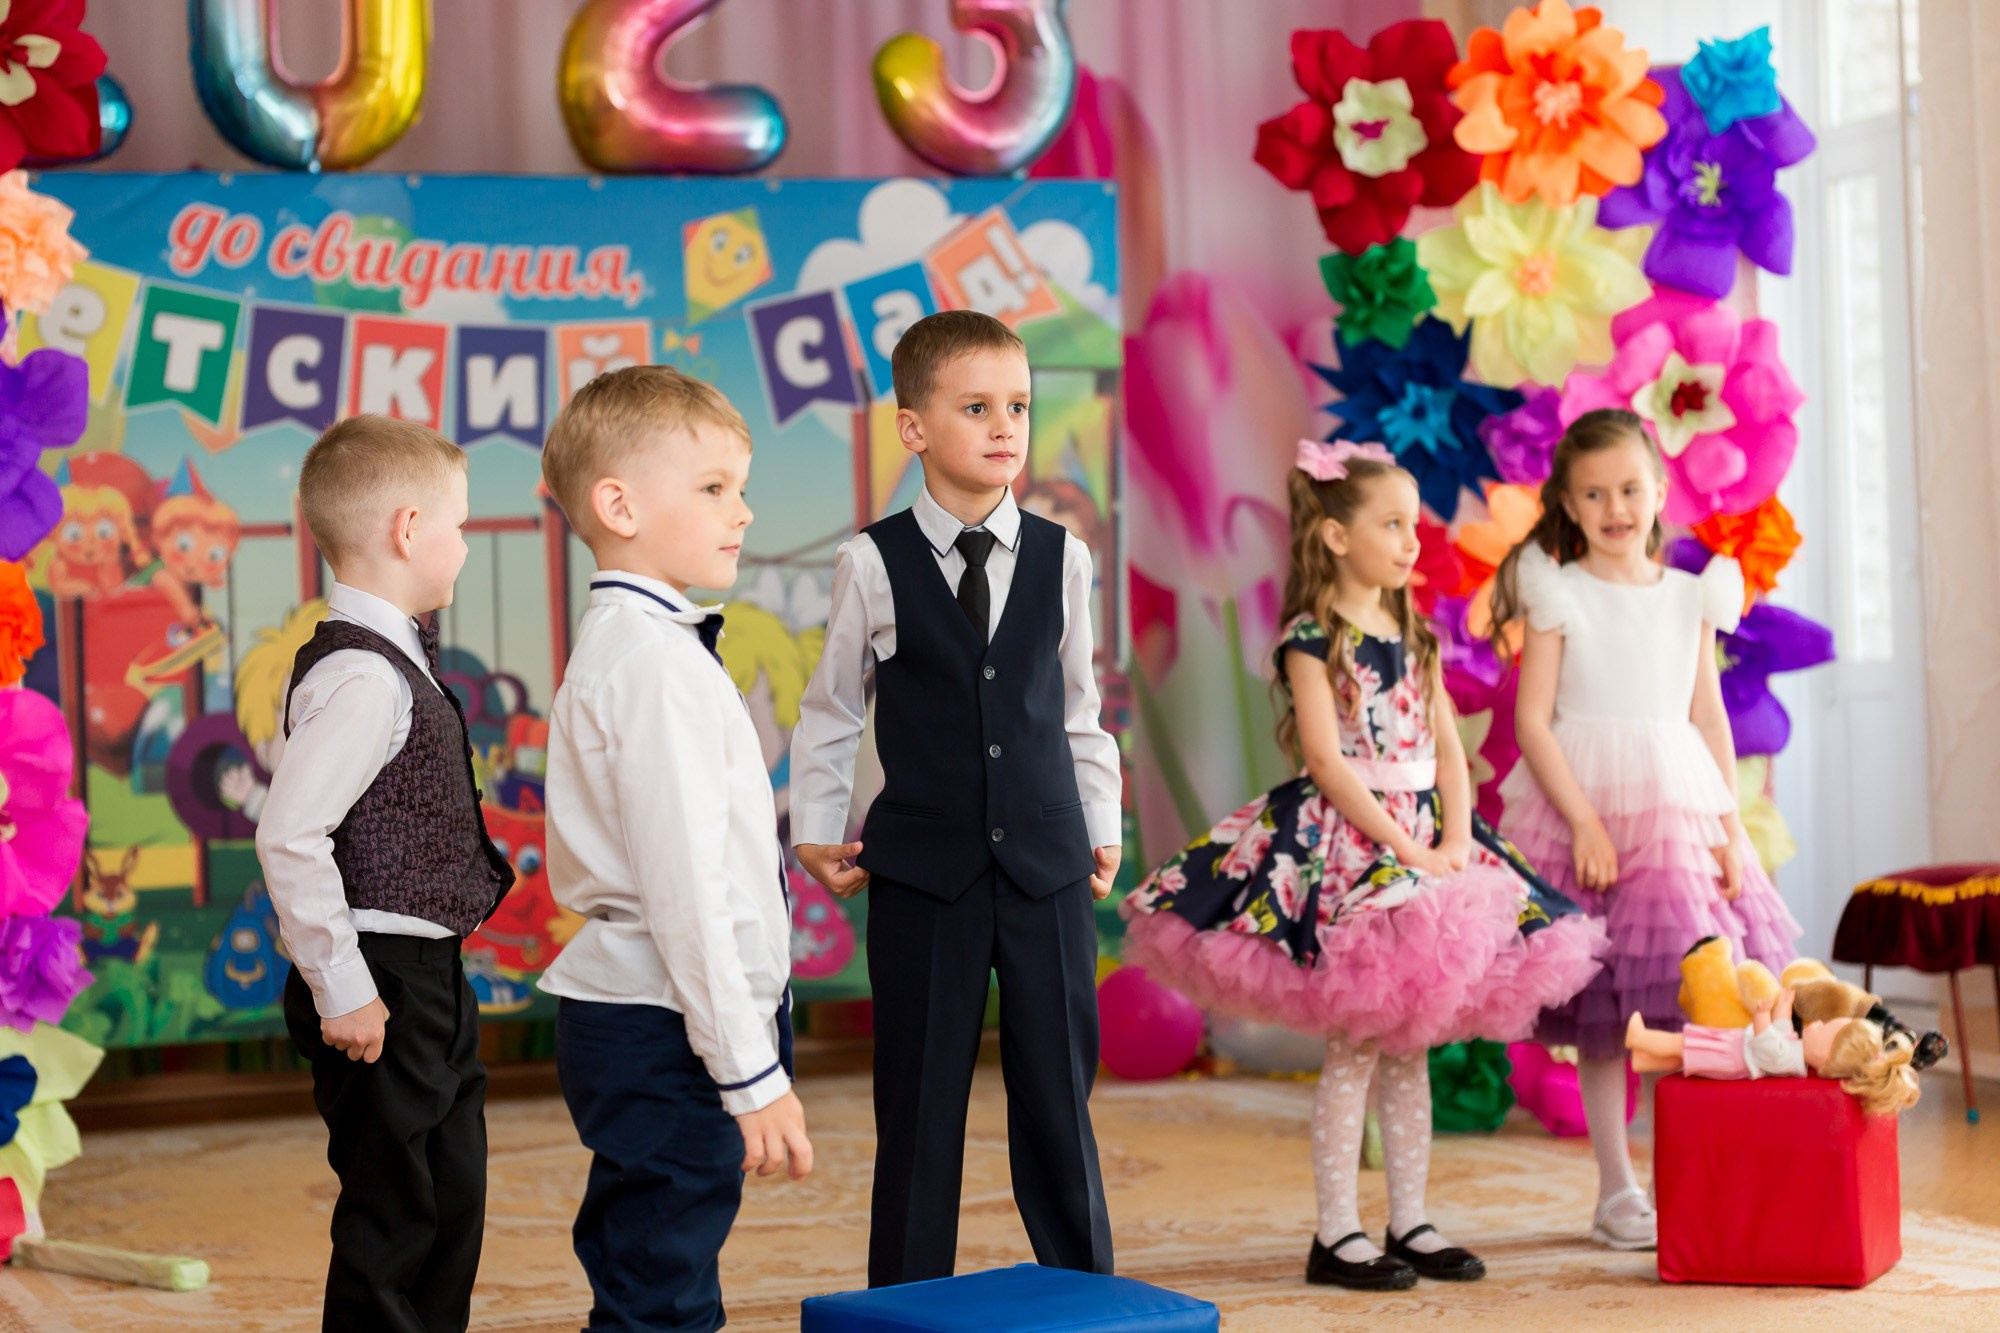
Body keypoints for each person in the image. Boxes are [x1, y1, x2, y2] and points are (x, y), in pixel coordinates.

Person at [1121, 438, 1603, 1292]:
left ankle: (1409, 1218)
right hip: (1355, 844)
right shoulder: (1314, 637)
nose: (1412, 540)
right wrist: (1404, 844)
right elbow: (1327, 759)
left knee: (1409, 1047)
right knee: (1354, 1044)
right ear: (1339, 537)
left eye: (1413, 523)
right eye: (1392, 523)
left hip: (1429, 837)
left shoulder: (1414, 632)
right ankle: (1336, 1231)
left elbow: (1451, 750)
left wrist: (1456, 838)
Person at [791, 310, 1121, 1288]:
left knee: (1059, 1097)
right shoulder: (869, 561)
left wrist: (1098, 827)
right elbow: (831, 707)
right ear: (913, 427)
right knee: (920, 1104)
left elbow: (1077, 706)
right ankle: (903, 1298)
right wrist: (815, 830)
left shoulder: (1066, 557)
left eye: (1016, 405)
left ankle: (1084, 1292)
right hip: (922, 875)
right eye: (975, 406)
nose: (1002, 426)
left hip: (1048, 869)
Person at [1489, 407, 1802, 1251]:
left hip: (1675, 810)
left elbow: (1707, 715)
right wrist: (1582, 821)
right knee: (1602, 1009)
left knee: (1692, 1003)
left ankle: (1688, 1177)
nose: (1615, 506)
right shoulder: (1561, 593)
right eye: (1594, 493)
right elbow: (1533, 722)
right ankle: (1616, 1187)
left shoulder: (1691, 595)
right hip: (1585, 808)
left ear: (1660, 492)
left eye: (1630, 487)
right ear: (1568, 501)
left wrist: (1731, 830)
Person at [537, 365, 810, 1331]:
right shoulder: (651, 663)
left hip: (652, 1015)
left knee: (650, 1257)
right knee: (663, 1284)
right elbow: (684, 886)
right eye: (712, 488)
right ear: (618, 505)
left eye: (739, 486)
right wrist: (748, 1070)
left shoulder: (643, 644)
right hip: (665, 1025)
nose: (741, 510)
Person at [257, 415, 514, 1333]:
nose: (466, 544)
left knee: (449, 1200)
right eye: (461, 524)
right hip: (378, 981)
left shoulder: (393, 658)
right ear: (410, 529)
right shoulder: (365, 678)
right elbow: (291, 834)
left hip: (426, 974)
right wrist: (343, 987)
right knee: (394, 1215)